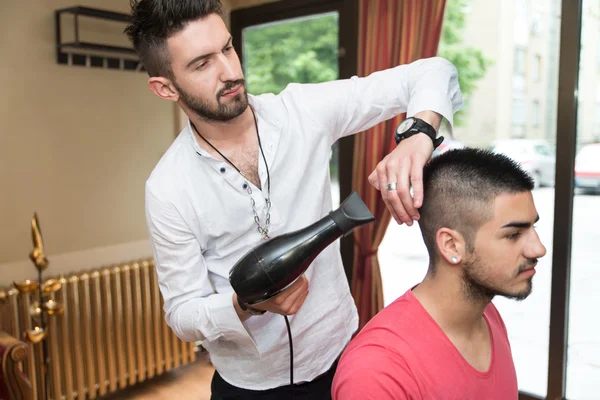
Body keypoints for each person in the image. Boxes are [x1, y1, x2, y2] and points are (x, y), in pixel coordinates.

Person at [124, 0, 462, 398]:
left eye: (228, 48)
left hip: (342, 357)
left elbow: (433, 71)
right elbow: (182, 314)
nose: (231, 72)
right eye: (202, 64)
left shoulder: (302, 112)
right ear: (165, 87)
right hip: (250, 385)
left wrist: (417, 134)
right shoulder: (168, 188)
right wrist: (245, 305)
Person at [331, 148, 547, 400]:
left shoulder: (487, 314)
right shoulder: (377, 371)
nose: (538, 248)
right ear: (452, 245)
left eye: (533, 227)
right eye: (513, 235)